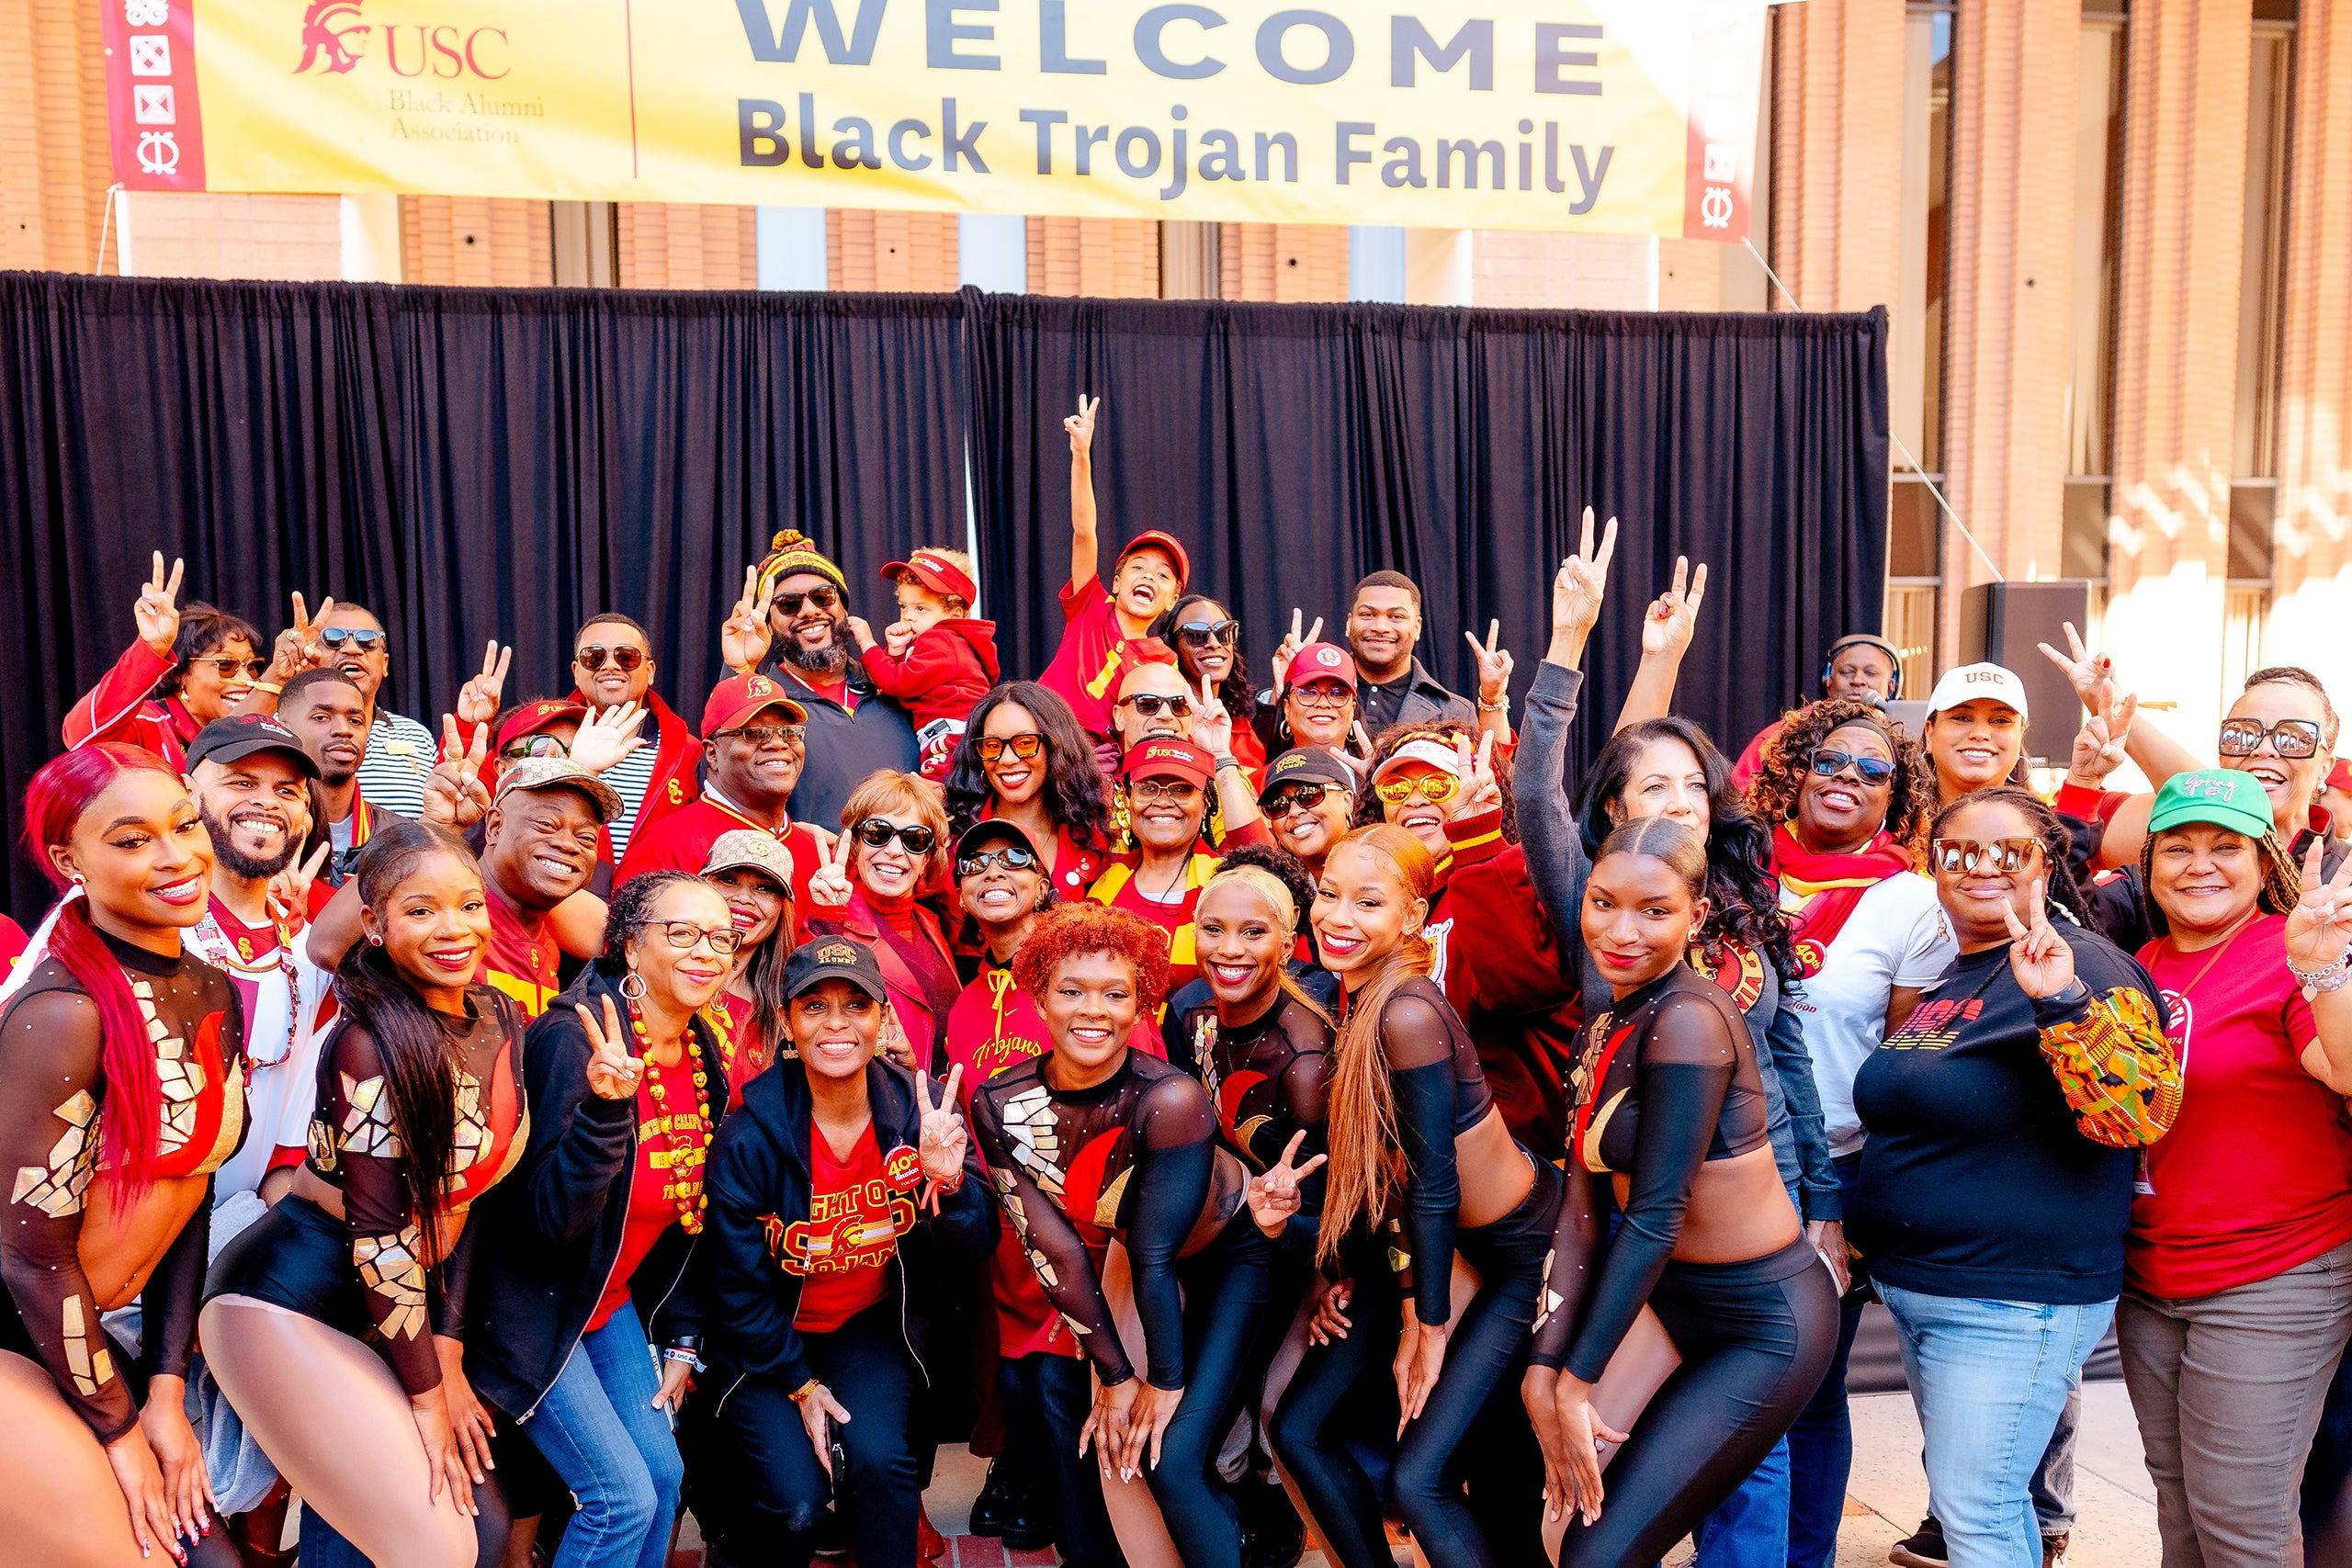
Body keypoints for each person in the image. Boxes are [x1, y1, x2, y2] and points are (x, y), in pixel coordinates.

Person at [1850, 787, 2179, 1568]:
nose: (1982, 868)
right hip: (1929, 1288)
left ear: (2046, 864)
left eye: (2008, 852)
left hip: (2011, 1298)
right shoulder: (1957, 976)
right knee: (1983, 1503)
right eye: (1959, 851)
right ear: (1933, 867)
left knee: (1978, 1508)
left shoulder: (2081, 962)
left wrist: (2062, 1000)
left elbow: (2135, 1113)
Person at [203, 821, 531, 1568]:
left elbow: (472, 1204)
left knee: (480, 1528)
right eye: (420, 910)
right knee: (437, 1544)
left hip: (398, 1307)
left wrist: (444, 1351)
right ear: (375, 925)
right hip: (290, 1301)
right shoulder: (369, 1040)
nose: (454, 928)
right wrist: (429, 1395)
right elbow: (379, 1239)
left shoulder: (502, 1013)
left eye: (469, 904)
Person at [1526, 816, 1840, 1568]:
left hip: (1763, 1322)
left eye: (1654, 909)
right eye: (1603, 902)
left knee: (1600, 1550)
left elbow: (1656, 1215)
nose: (1622, 929)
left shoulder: (1690, 1019)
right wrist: (1545, 1371)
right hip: (1671, 1301)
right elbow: (1579, 1205)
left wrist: (1577, 1378)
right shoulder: (1603, 1025)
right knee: (1559, 1529)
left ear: (1697, 915)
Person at [1274, 824, 1559, 1568]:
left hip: (1517, 1256)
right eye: (1328, 893)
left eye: (1367, 900)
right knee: (1301, 1426)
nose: (1337, 915)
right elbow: (1387, 1177)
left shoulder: (1405, 1011)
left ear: (1411, 915)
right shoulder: (1361, 999)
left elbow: (1434, 1182)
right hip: (1447, 1246)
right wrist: (1346, 1272)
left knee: (1424, 1477)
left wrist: (1424, 1325)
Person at [0, 744, 245, 1567]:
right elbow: (30, 1260)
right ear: (71, 859)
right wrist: (121, 1426)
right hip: (19, 1334)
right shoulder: (62, 1013)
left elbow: (191, 1200)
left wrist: (168, 1393)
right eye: (133, 839)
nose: (177, 856)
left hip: (99, 1344)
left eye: (184, 824)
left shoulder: (211, 989)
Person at [973, 901, 1271, 1568]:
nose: (1092, 1010)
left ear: (1141, 1006)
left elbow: (1157, 1252)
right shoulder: (996, 1101)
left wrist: (1156, 1381)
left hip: (1227, 1259)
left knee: (1174, 1452)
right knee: (1124, 1455)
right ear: (1039, 996)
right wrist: (1113, 1373)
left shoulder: (1169, 1098)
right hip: (1130, 1265)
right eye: (1072, 990)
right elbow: (1053, 1245)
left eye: (1116, 993)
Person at [679, 936, 993, 1568]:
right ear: (789, 1023)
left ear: (883, 1018)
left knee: (881, 1467)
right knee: (794, 1503)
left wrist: (950, 1181)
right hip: (767, 1341)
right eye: (814, 1005)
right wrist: (801, 1384)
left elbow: (972, 1247)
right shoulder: (750, 1132)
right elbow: (734, 1284)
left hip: (866, 1326)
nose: (837, 1023)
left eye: (856, 1004)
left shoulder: (917, 1113)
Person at [468, 872, 743, 1568]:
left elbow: (687, 1210)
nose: (706, 950)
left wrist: (683, 1339)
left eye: (721, 936)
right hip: (537, 1309)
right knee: (620, 1499)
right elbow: (546, 1224)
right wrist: (606, 1113)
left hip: (607, 1304)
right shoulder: (575, 1039)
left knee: (663, 1477)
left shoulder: (701, 1047)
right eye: (681, 932)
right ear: (626, 944)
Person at [2114, 769, 2352, 1568]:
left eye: (2226, 847)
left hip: (2272, 1271)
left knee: (2241, 1522)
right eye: (2178, 847)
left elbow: (2345, 1068)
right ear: (2151, 863)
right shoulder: (2141, 959)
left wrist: (2322, 968)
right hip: (2152, 1274)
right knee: (2180, 1507)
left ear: (2264, 862)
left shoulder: (2287, 951)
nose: (2200, 864)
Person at [1742, 694, 1957, 1566]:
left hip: (1832, 1169)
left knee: (1810, 1390)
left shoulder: (1911, 903)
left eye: (1874, 770)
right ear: (1796, 772)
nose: (1848, 777)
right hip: (1719, 1163)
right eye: (1831, 760)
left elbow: (1901, 1059)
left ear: (1895, 798)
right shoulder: (1737, 867)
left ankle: (1802, 1557)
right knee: (1727, 1384)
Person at [940, 819, 1110, 1563]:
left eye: (1015, 857)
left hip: (1086, 1238)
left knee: (1063, 1394)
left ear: (1046, 880)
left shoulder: (1085, 977)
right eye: (974, 860)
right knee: (1022, 1393)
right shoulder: (966, 1002)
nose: (993, 869)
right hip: (1005, 1246)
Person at [180, 716, 335, 1205]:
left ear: (307, 818)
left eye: (288, 791)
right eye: (241, 782)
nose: (267, 802)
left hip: (240, 1237)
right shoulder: (136, 928)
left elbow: (295, 1132)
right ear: (186, 795)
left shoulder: (315, 957)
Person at [721, 532, 922, 829]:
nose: (810, 610)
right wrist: (740, 670)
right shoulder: (765, 703)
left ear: (843, 605)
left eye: (823, 596)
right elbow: (719, 788)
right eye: (789, 604)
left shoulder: (897, 684)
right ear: (768, 622)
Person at [1036, 395, 1187, 743]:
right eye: (1139, 567)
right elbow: (1084, 531)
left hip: (1098, 757)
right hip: (1045, 733)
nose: (1149, 576)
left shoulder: (1164, 660)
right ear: (1117, 581)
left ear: (1171, 600)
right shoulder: (1090, 606)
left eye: (1163, 575)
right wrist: (1081, 454)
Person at [613, 672, 829, 902]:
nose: (778, 743)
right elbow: (626, 936)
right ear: (712, 754)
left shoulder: (816, 852)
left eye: (789, 732)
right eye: (754, 734)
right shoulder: (665, 846)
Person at [802, 771, 961, 1069]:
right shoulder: (829, 919)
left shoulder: (931, 923)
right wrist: (828, 917)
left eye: (915, 839)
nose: (894, 850)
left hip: (938, 1105)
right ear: (856, 844)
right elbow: (812, 1006)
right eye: (878, 833)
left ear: (927, 858)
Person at [1089, 738, 1269, 998]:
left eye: (1181, 789)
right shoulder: (1104, 878)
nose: (1162, 801)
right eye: (1148, 788)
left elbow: (1267, 869)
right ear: (1129, 799)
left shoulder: (1226, 881)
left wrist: (1222, 759)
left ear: (1206, 803)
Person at [64, 551, 264, 771]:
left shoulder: (253, 729)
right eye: (227, 665)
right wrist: (151, 649)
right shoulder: (148, 723)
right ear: (180, 675)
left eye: (252, 667)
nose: (248, 680)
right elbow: (81, 738)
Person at [944, 682, 1118, 904]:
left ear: (1057, 748)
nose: (1007, 759)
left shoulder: (1093, 835)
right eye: (992, 746)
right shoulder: (952, 837)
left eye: (1025, 743)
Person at [850, 548, 1001, 784]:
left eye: (921, 609)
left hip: (951, 735)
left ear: (955, 612)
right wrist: (898, 652)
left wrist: (868, 644)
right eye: (903, 606)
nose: (908, 616)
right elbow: (910, 682)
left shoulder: (941, 640)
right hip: (955, 733)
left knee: (935, 793)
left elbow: (897, 683)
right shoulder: (947, 641)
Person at [564, 613, 701, 863]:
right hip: (565, 897)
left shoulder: (689, 752)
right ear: (576, 670)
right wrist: (468, 727)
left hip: (657, 898)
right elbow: (482, 803)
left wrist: (741, 669)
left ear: (649, 671)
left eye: (626, 657)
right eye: (594, 657)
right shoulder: (542, 738)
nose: (610, 666)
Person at [1340, 571, 1511, 746]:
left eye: (1396, 617)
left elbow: (1495, 766)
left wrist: (1493, 694)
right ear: (1349, 623)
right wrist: (1310, 673)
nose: (1380, 627)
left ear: (1417, 627)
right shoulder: (1314, 695)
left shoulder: (1454, 711)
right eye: (1368, 614)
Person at [1729, 633, 1905, 795]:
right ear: (1828, 682)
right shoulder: (1780, 736)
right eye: (1847, 672)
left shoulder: (1900, 744)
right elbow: (1741, 799)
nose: (1858, 680)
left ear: (1891, 687)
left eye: (1871, 673)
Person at [701, 830, 798, 1082]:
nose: (744, 898)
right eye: (728, 880)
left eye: (764, 888)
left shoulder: (784, 1010)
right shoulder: (661, 976)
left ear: (781, 909)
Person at [277, 668, 382, 882]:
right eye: (322, 717)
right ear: (283, 728)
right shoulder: (264, 832)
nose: (343, 730)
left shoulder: (394, 836)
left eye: (355, 720)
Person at [1151, 592, 1264, 775]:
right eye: (1197, 634)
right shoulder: (1162, 720)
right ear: (1172, 646)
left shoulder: (1237, 720)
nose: (1214, 643)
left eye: (1223, 632)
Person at [1919, 662, 2034, 804]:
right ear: (1930, 733)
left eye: (2000, 721)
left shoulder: (2047, 824)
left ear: (2020, 735)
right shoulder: (1892, 821)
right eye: (1961, 718)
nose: (1980, 733)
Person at [1253, 630, 1366, 769]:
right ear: (1286, 708)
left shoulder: (1381, 779)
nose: (1323, 704)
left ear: (1352, 710)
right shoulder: (1258, 784)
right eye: (1307, 692)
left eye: (1337, 693)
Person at [1257, 747, 1359, 879]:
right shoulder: (1279, 888)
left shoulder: (1382, 866)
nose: (1294, 812)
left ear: (1347, 801)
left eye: (1309, 795)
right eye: (1278, 805)